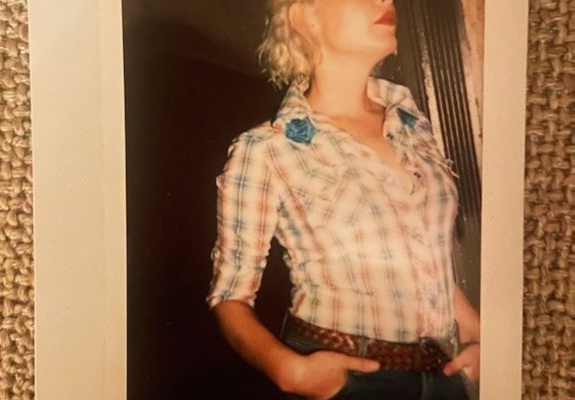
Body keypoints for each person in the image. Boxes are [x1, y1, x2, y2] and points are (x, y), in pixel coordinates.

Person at [206, 0, 481, 399]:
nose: (385, 0)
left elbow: (418, 247)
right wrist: (287, 370)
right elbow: (230, 295)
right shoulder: (267, 149)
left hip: (444, 375)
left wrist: (473, 326)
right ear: (306, 18)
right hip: (348, 378)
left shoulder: (411, 123)